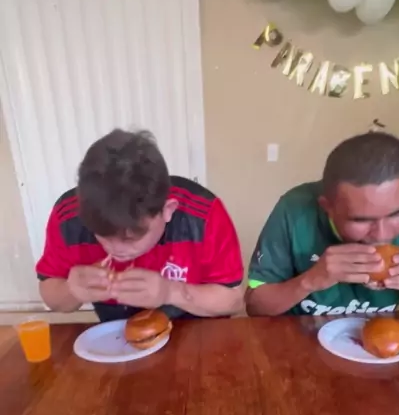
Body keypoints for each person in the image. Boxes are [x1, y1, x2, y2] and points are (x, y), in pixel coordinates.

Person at [246, 131, 399, 318]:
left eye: (398, 214)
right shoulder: (295, 208)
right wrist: (309, 281)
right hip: (296, 337)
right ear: (327, 206)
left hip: (377, 337)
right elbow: (256, 305)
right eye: (361, 220)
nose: (382, 234)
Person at [36, 129, 244, 321]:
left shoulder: (203, 214)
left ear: (168, 210)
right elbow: (50, 294)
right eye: (103, 235)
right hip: (117, 331)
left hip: (195, 327)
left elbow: (233, 300)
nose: (116, 249)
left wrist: (171, 292)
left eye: (132, 237)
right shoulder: (69, 215)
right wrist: (71, 290)